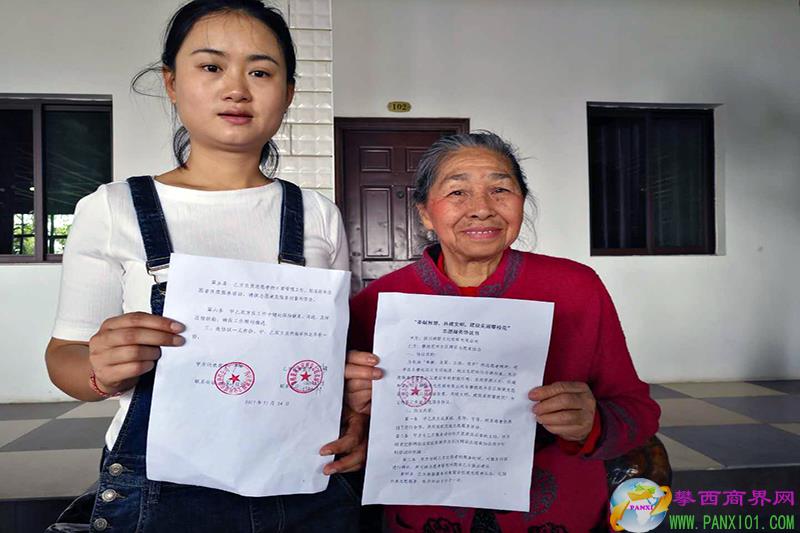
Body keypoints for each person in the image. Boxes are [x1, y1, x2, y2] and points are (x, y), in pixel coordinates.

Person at [45, 1, 363, 531]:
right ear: (172, 83)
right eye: (211, 66)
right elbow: (64, 357)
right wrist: (100, 370)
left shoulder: (318, 215)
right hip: (159, 489)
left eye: (261, 72)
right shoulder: (114, 208)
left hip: (304, 482)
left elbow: (331, 360)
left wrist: (354, 418)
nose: (236, 89)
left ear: (287, 93)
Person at [345, 131, 661, 532]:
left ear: (521, 202)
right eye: (457, 192)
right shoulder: (378, 302)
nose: (481, 209)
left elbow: (638, 411)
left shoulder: (576, 288)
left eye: (500, 189)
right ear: (425, 212)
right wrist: (352, 406)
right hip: (422, 516)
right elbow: (336, 428)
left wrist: (591, 422)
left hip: (555, 515)